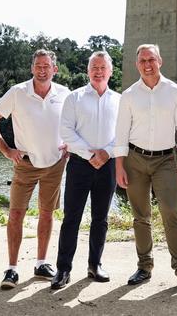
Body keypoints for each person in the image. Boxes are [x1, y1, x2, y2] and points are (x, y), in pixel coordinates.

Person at [113, 44, 177, 292]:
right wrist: (119, 165)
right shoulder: (130, 95)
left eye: (151, 59)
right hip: (135, 160)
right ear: (137, 64)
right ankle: (144, 267)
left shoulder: (175, 92)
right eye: (142, 60)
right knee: (141, 217)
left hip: (166, 160)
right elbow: (120, 133)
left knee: (171, 214)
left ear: (160, 61)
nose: (147, 64)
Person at [0, 49, 70, 290]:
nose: (42, 70)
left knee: (47, 213)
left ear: (55, 69)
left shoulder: (65, 94)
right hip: (25, 164)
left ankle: (41, 264)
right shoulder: (18, 92)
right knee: (16, 215)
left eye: (47, 66)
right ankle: (11, 269)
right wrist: (6, 150)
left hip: (55, 164)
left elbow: (75, 124)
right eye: (38, 66)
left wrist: (71, 144)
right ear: (32, 69)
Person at [50, 51, 120, 289]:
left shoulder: (120, 100)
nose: (98, 71)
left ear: (110, 71)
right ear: (88, 70)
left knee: (100, 219)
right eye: (94, 67)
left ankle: (95, 265)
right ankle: (63, 269)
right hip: (80, 165)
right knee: (71, 218)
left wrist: (106, 152)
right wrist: (91, 154)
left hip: (107, 165)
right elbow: (66, 131)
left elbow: (124, 133)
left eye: (102, 67)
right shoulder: (74, 98)